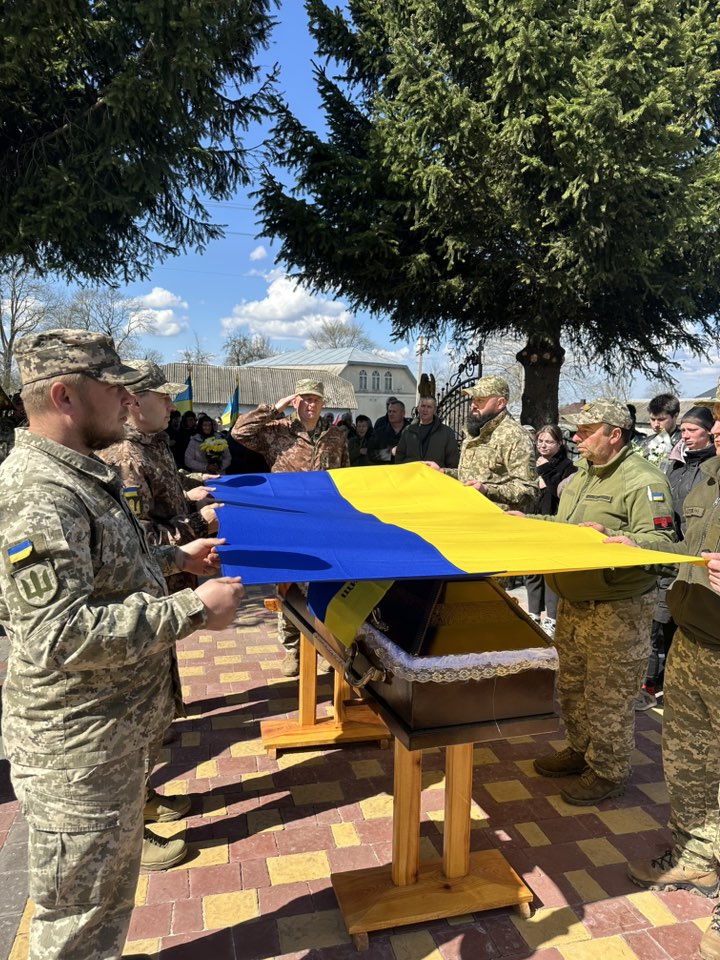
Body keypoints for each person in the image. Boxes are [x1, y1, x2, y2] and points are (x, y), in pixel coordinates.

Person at [0, 329, 244, 960]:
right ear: (64, 396)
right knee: (78, 924)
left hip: (106, 740)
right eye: (112, 388)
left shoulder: (75, 476)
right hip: (77, 751)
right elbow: (58, 634)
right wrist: (192, 609)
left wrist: (174, 559)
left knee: (102, 909)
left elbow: (104, 572)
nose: (126, 401)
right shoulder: (40, 494)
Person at [607, 396, 720, 960]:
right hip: (696, 639)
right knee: (686, 759)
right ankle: (695, 856)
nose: (718, 428)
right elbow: (688, 549)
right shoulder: (702, 477)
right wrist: (640, 543)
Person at [524, 398, 674, 805]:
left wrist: (621, 538)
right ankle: (579, 750)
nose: (576, 437)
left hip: (616, 609)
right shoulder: (583, 475)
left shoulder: (642, 481)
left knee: (607, 695)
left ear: (614, 434)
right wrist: (525, 524)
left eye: (586, 431)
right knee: (571, 687)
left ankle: (608, 771)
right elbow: (566, 528)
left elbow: (663, 544)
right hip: (574, 602)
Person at [232, 379, 350, 675]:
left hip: (323, 522)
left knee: (325, 585)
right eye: (305, 399)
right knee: (287, 585)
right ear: (296, 401)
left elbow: (345, 475)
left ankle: (324, 646)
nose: (311, 405)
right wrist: (274, 408)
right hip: (285, 520)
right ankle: (292, 649)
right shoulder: (277, 431)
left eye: (316, 400)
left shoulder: (335, 435)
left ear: (323, 403)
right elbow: (239, 431)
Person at [634, 405, 717, 711]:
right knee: (658, 621)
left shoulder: (710, 470)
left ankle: (665, 684)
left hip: (697, 566)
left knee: (670, 624)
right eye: (682, 430)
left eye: (692, 430)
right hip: (671, 554)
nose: (685, 436)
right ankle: (650, 684)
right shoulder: (674, 464)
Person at [449, 374, 538, 512]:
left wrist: (487, 490)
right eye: (473, 399)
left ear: (500, 403)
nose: (473, 405)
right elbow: (471, 476)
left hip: (496, 522)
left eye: (480, 400)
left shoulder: (514, 436)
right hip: (466, 515)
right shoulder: (474, 431)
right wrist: (442, 473)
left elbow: (528, 491)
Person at [524, 424, 576, 637]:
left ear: (560, 444)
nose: (543, 446)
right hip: (533, 522)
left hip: (554, 522)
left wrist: (545, 471)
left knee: (551, 574)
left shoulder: (568, 467)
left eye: (549, 442)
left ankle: (552, 619)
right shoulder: (532, 463)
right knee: (532, 571)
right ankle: (533, 614)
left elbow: (560, 492)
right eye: (540, 441)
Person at [394, 396, 460, 470]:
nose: (425, 410)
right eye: (423, 406)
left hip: (435, 477)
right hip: (412, 476)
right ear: (418, 409)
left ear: (434, 410)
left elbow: (453, 461)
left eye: (429, 407)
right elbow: (399, 456)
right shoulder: (408, 430)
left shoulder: (446, 432)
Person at [640, 392, 681, 465]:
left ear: (675, 416)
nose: (656, 425)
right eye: (652, 419)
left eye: (661, 420)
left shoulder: (684, 445)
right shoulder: (644, 444)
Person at [367, 399, 408, 464]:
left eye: (394, 411)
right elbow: (370, 454)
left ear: (403, 413)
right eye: (389, 411)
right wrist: (390, 453)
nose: (391, 414)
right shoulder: (379, 433)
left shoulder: (412, 431)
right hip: (386, 472)